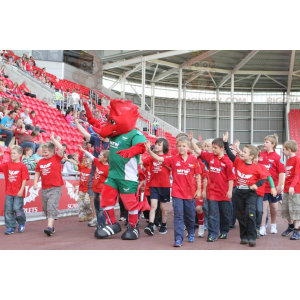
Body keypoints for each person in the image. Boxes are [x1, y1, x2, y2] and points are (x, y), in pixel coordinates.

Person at [145, 136, 201, 247]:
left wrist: (199, 189)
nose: (181, 148)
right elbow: (160, 159)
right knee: (178, 216)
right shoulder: (173, 159)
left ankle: (190, 232)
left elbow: (198, 175)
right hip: (177, 193)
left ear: (188, 147)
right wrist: (149, 151)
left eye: (184, 146)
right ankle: (178, 238)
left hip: (190, 193)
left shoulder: (193, 160)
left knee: (190, 215)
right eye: (179, 146)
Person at [223, 132, 267, 247]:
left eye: (245, 152)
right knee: (240, 215)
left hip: (250, 193)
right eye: (242, 151)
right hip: (238, 193)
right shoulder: (238, 161)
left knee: (250, 215)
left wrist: (256, 185)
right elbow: (229, 154)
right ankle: (244, 237)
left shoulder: (256, 167)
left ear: (251, 156)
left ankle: (252, 237)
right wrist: (225, 143)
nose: (242, 153)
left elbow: (264, 178)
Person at [189, 131, 235, 242]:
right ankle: (212, 234)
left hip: (224, 193)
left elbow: (231, 178)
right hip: (212, 192)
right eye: (212, 147)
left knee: (225, 214)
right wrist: (191, 141)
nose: (213, 150)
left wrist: (229, 191)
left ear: (222, 148)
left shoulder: (228, 162)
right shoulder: (210, 157)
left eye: (215, 148)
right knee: (212, 214)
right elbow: (199, 150)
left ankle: (224, 232)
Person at [74, 118, 109, 226]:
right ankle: (96, 217)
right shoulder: (96, 139)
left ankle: (106, 217)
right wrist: (76, 122)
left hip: (106, 172)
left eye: (102, 132)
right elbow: (84, 133)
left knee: (104, 196)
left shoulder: (113, 143)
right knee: (92, 194)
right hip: (95, 169)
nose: (99, 134)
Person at [33, 132, 64, 236]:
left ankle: (49, 227)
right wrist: (35, 182)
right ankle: (51, 226)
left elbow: (61, 148)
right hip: (44, 189)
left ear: (52, 152)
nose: (44, 154)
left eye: (46, 152)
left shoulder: (56, 158)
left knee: (51, 205)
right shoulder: (41, 162)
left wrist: (53, 139)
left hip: (55, 188)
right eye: (43, 152)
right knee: (46, 209)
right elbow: (37, 172)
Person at [143, 138, 171, 236]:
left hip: (164, 186)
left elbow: (169, 166)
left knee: (163, 207)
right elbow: (142, 162)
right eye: (156, 144)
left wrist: (149, 151)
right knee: (153, 206)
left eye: (159, 144)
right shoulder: (151, 158)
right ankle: (151, 225)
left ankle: (164, 224)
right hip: (153, 185)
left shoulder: (167, 157)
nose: (156, 146)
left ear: (164, 147)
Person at [258, 134, 285, 235]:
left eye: (267, 142)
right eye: (264, 142)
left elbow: (281, 172)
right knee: (264, 206)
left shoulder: (277, 157)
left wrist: (279, 186)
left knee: (273, 207)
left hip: (273, 187)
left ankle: (273, 225)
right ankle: (262, 227)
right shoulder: (260, 154)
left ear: (273, 144)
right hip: (262, 186)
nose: (264, 143)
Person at [0, 145, 29, 234]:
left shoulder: (22, 166)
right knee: (8, 210)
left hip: (18, 193)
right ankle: (10, 227)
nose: (12, 155)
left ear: (20, 154)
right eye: (11, 153)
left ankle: (21, 222)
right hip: (9, 192)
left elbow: (24, 179)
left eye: (14, 153)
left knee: (17, 209)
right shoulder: (7, 165)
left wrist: (21, 190)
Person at [78, 145, 110, 227]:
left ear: (105, 158)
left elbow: (109, 180)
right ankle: (99, 222)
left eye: (100, 155)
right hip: (95, 189)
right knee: (97, 208)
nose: (98, 156)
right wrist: (84, 151)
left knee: (101, 208)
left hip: (101, 191)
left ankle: (102, 223)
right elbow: (92, 157)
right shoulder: (98, 162)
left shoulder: (108, 168)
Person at [65, 155, 93, 222]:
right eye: (84, 161)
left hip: (88, 189)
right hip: (81, 189)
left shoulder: (92, 170)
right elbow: (75, 163)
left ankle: (89, 213)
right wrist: (67, 159)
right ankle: (82, 216)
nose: (85, 162)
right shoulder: (82, 167)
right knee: (80, 203)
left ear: (90, 163)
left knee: (87, 202)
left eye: (86, 161)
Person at [281, 140, 300, 240]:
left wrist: (292, 186)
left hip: (295, 189)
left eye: (284, 150)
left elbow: (297, 174)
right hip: (286, 189)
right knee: (286, 209)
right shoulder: (288, 160)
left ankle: (297, 230)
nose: (283, 151)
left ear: (289, 149)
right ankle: (291, 226)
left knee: (295, 210)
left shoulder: (297, 160)